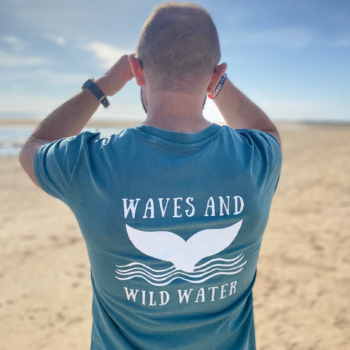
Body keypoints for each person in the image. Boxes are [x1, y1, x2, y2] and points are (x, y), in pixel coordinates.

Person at [19, 2, 282, 350]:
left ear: (136, 71)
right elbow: (267, 131)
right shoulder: (257, 158)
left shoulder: (92, 160)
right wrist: (218, 85)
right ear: (216, 74)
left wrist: (101, 88)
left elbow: (34, 147)